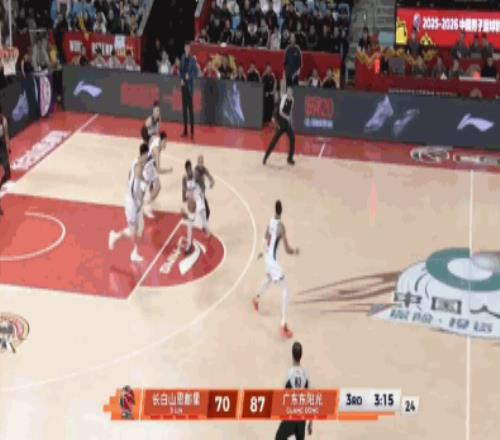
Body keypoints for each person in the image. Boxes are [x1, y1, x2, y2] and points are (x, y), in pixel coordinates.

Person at [252, 200, 299, 338]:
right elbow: (287, 249)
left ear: (275, 209)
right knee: (285, 288)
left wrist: (261, 251)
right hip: (272, 261)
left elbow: (265, 236)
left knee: (268, 279)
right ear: (282, 211)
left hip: (267, 257)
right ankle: (283, 325)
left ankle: (256, 299)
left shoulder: (270, 221)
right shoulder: (281, 227)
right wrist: (295, 252)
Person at [108, 143, 149, 262]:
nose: (148, 157)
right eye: (147, 155)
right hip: (132, 203)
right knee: (133, 232)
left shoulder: (137, 162)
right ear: (144, 154)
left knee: (140, 229)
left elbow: (132, 175)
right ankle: (116, 238)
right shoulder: (138, 166)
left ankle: (132, 250)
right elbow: (135, 184)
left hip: (136, 201)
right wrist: (139, 201)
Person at [275, 342, 313, 439]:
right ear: (301, 355)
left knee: (278, 438)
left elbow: (282, 398)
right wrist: (310, 422)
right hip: (301, 420)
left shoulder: (289, 374)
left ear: (292, 355)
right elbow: (311, 400)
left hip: (290, 417)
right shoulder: (306, 375)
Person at [182, 160, 210, 254]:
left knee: (203, 219)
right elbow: (184, 189)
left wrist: (202, 194)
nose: (189, 171)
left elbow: (203, 185)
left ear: (191, 168)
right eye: (187, 170)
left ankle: (206, 230)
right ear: (186, 170)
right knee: (189, 223)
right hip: (191, 200)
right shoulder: (185, 178)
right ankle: (189, 245)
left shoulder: (196, 175)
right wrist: (184, 199)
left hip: (198, 198)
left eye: (190, 169)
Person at [142, 132, 172, 218]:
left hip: (151, 166)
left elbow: (151, 139)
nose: (166, 144)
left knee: (157, 187)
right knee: (155, 187)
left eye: (166, 142)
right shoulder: (156, 151)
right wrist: (168, 170)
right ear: (161, 141)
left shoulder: (157, 140)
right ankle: (145, 206)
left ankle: (146, 203)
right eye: (165, 142)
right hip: (147, 168)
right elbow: (158, 170)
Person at [263, 87, 295, 165]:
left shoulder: (292, 100)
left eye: (290, 91)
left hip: (287, 124)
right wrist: (287, 117)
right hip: (281, 123)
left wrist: (291, 122)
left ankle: (289, 159)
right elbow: (280, 112)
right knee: (274, 141)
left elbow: (290, 112)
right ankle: (265, 157)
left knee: (292, 138)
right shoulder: (284, 98)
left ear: (292, 93)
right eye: (287, 91)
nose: (288, 93)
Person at [180, 43, 198, 139]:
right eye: (185, 48)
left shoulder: (193, 60)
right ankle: (185, 131)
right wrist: (182, 79)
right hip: (183, 86)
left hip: (189, 87)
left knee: (190, 110)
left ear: (190, 49)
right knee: (184, 110)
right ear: (184, 48)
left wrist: (189, 76)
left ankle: (192, 132)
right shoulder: (182, 58)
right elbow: (180, 71)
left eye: (188, 48)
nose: (187, 49)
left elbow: (196, 73)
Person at [195, 155, 215, 220]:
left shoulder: (204, 169)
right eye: (199, 162)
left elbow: (209, 176)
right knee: (204, 211)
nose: (201, 163)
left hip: (201, 193)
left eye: (202, 162)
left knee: (207, 212)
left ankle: (204, 223)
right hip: (197, 193)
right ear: (198, 162)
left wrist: (212, 182)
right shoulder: (196, 171)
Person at [0, 104, 10, 215]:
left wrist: (8, 147)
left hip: (2, 148)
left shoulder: (4, 120)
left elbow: (6, 134)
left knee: (7, 174)